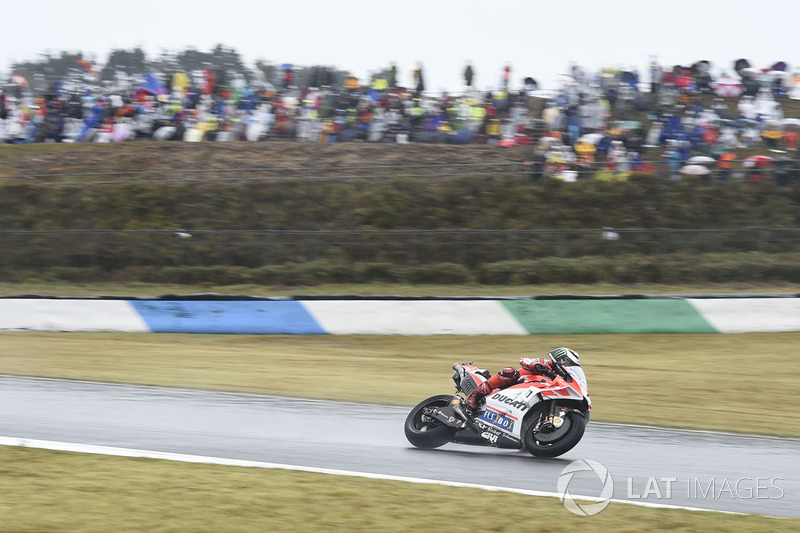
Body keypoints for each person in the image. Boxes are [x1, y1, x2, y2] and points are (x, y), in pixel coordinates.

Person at [465, 347, 581, 410]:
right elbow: (523, 359)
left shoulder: (559, 379)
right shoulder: (544, 363)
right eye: (567, 362)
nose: (568, 366)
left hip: (527, 396)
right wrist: (534, 365)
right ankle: (475, 395)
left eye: (571, 365)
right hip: (516, 383)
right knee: (510, 371)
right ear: (561, 359)